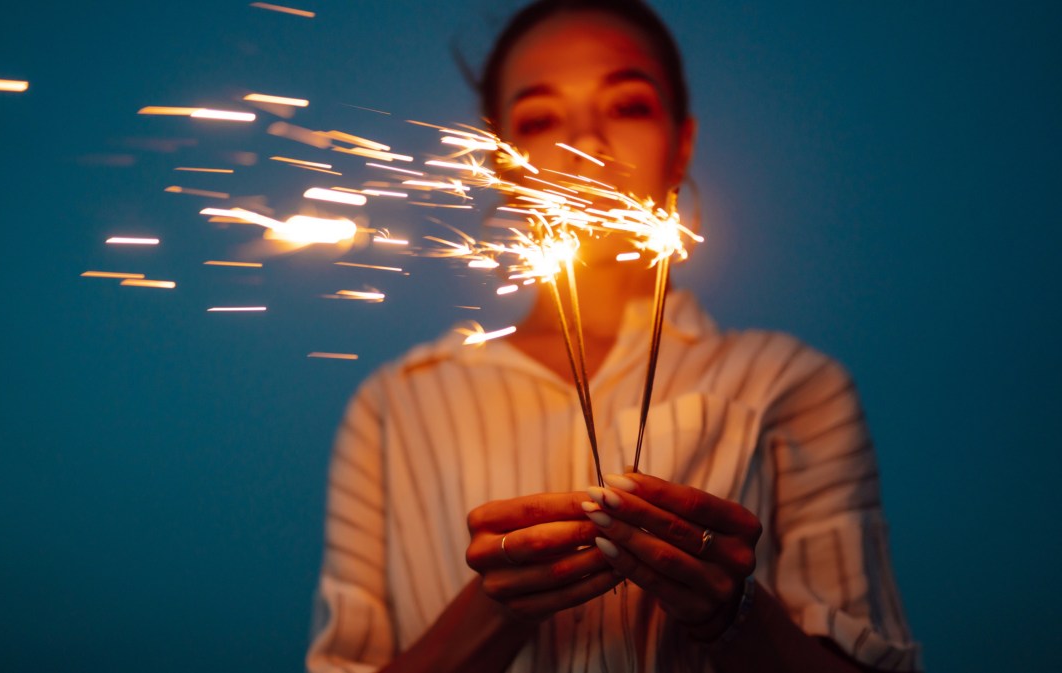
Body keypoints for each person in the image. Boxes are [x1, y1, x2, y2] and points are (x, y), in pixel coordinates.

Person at [307, 1, 922, 671]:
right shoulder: (394, 406)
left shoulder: (792, 383)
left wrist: (732, 611)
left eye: (627, 106)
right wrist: (497, 606)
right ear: (501, 165)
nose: (586, 146)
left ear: (680, 145)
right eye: (541, 119)